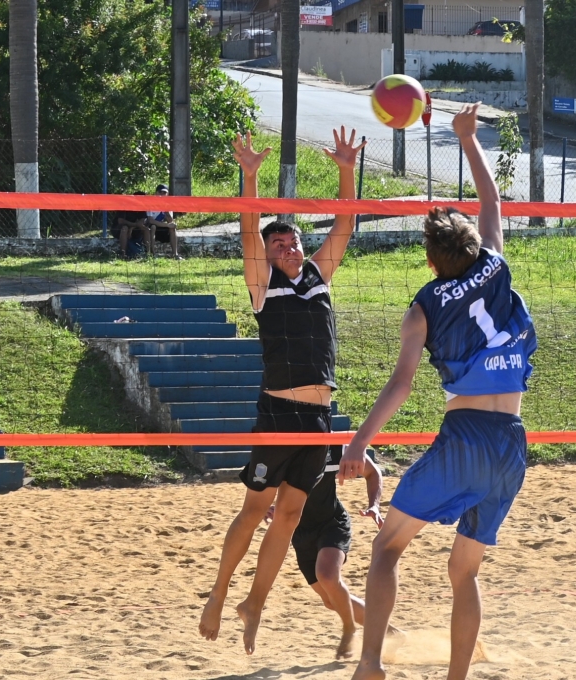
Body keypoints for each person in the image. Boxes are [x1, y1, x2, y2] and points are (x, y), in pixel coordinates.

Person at [337, 102, 537, 680]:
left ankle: (370, 663)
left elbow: (401, 385)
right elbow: (492, 203)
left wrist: (359, 442)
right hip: (511, 444)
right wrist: (467, 138)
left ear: (429, 260)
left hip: (466, 436)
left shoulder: (422, 308)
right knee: (464, 572)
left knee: (386, 549)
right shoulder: (495, 263)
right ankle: (457, 675)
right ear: (473, 245)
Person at [198, 127, 366, 656]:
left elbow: (345, 223)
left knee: (289, 517)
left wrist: (345, 168)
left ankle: (255, 604)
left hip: (319, 421)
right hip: (279, 414)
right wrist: (250, 177)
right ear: (268, 255)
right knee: (255, 511)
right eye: (280, 243)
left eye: (293, 240)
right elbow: (248, 233)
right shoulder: (260, 283)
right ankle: (220, 595)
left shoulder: (317, 276)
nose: (290, 246)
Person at [264, 445, 402, 659]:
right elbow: (259, 489)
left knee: (327, 575)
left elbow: (372, 472)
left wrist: (374, 505)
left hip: (332, 523)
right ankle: (392, 632)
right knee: (331, 600)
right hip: (299, 531)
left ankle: (350, 629)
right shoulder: (281, 448)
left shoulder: (334, 448)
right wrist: (267, 506)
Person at [147, 183, 182, 259]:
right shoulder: (150, 203)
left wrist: (165, 209)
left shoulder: (168, 204)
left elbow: (170, 220)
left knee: (172, 227)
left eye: (164, 193)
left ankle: (175, 254)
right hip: (150, 227)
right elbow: (150, 220)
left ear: (167, 194)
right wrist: (166, 225)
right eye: (160, 192)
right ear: (156, 193)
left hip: (161, 226)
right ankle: (152, 254)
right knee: (153, 227)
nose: (162, 195)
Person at [114, 191, 150, 258]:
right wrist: (133, 225)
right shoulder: (124, 205)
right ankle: (123, 253)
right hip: (118, 229)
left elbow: (141, 221)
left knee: (146, 229)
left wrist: (132, 227)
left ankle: (148, 253)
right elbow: (120, 221)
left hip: (134, 229)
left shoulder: (142, 207)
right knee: (125, 228)